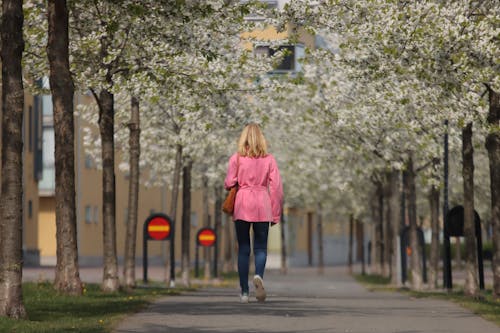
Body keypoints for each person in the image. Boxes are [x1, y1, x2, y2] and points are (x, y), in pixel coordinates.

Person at [224, 123, 283, 303]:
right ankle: (258, 275)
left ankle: (243, 292)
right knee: (260, 248)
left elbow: (228, 182)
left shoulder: (237, 158)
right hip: (262, 204)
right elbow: (277, 188)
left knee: (243, 248)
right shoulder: (269, 159)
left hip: (242, 203)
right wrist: (275, 213)